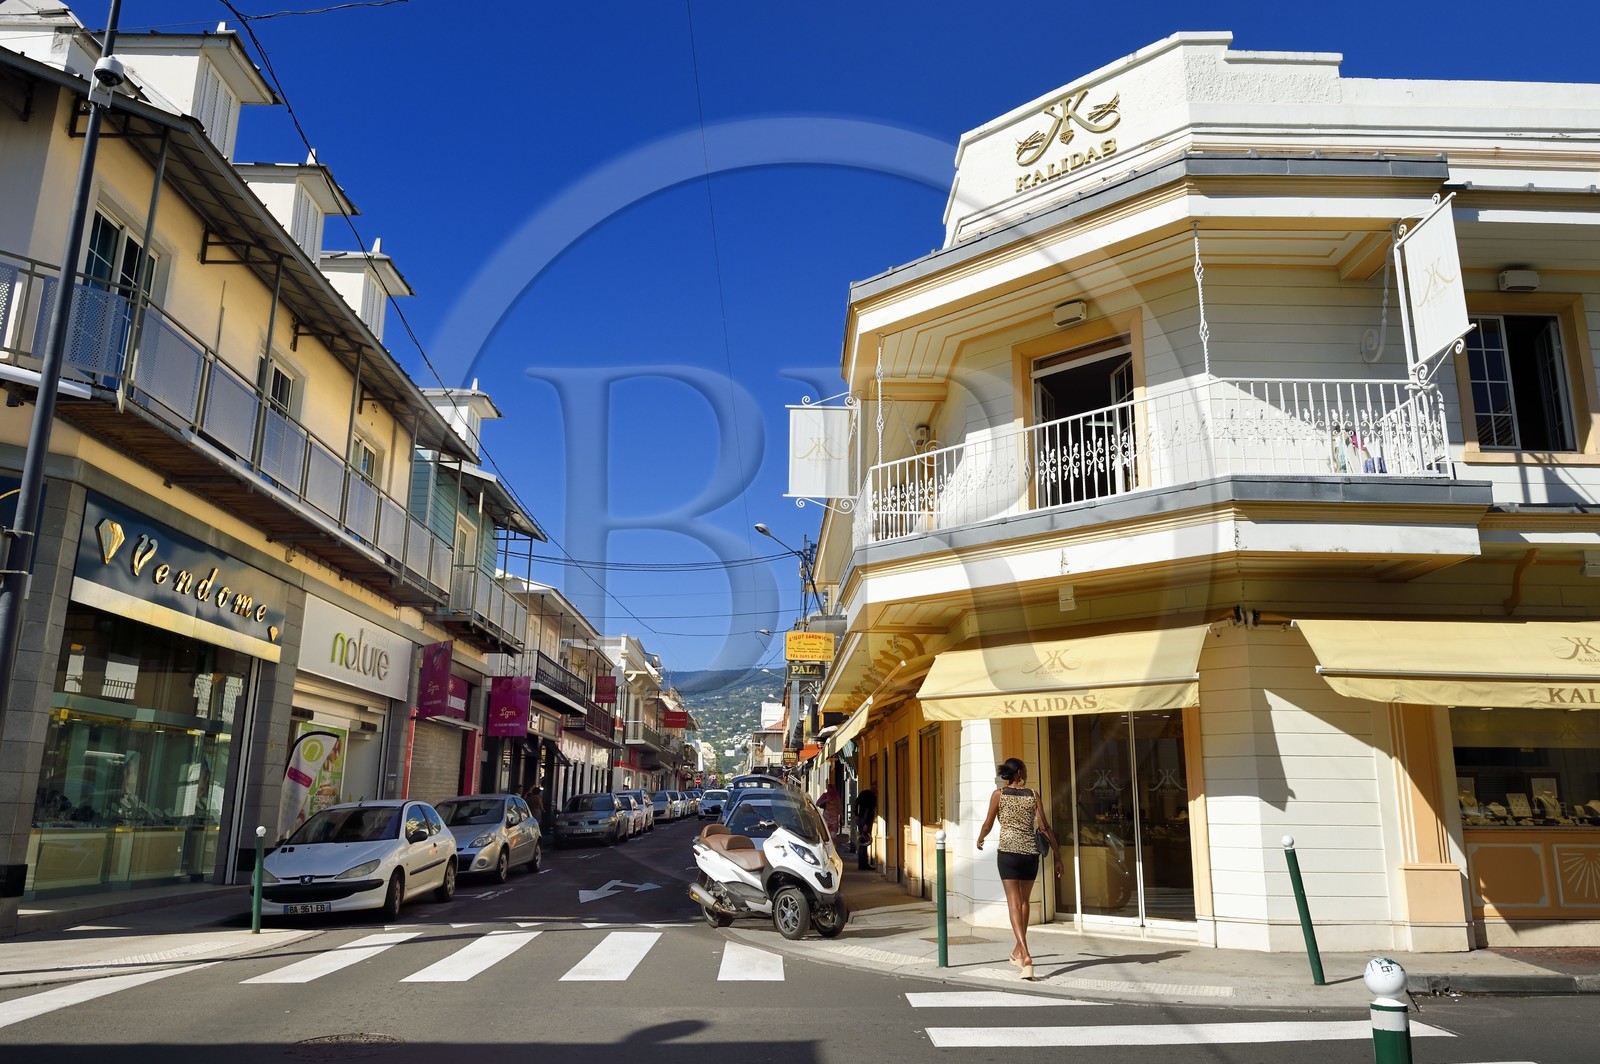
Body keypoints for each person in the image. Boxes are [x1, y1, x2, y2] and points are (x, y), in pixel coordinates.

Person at [975, 757, 1061, 980]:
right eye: (1026, 769)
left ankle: (1026, 954)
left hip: (1008, 854)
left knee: (1013, 903)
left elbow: (988, 822)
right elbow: (1044, 827)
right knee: (1024, 903)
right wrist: (1058, 857)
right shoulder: (1033, 795)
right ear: (1020, 773)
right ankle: (1017, 951)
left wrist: (980, 838)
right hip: (1030, 854)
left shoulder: (999, 795)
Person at [853, 784, 878, 870]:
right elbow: (869, 810)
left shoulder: (862, 793)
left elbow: (856, 803)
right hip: (866, 820)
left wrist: (856, 814)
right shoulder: (872, 796)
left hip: (860, 818)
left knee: (861, 841)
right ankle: (864, 864)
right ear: (875, 788)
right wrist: (866, 823)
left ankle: (862, 863)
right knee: (865, 841)